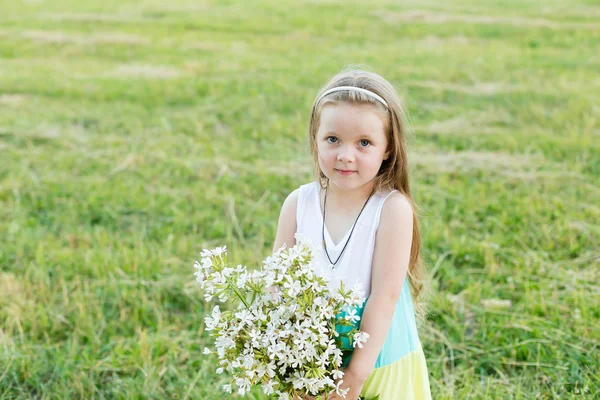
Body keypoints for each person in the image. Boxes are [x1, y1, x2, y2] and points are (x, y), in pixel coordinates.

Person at [272, 68, 432, 400]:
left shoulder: (392, 209)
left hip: (379, 361)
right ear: (315, 139)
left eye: (364, 143)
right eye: (333, 139)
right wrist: (291, 362)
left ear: (388, 148)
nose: (346, 155)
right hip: (313, 359)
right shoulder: (298, 204)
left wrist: (354, 377)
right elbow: (278, 287)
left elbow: (384, 298)